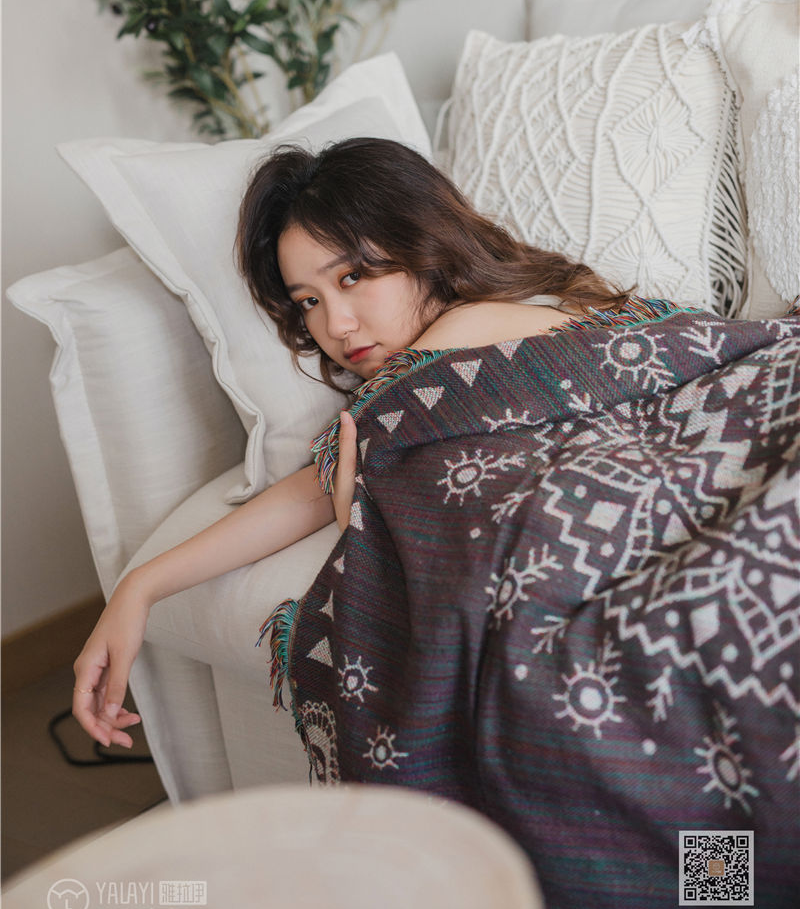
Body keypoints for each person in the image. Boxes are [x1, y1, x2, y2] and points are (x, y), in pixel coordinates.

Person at [72, 136, 635, 748]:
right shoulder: (476, 344)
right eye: (309, 301)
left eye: (353, 276)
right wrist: (141, 586)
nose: (335, 326)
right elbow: (313, 489)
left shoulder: (467, 328)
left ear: (424, 244)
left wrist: (355, 516)